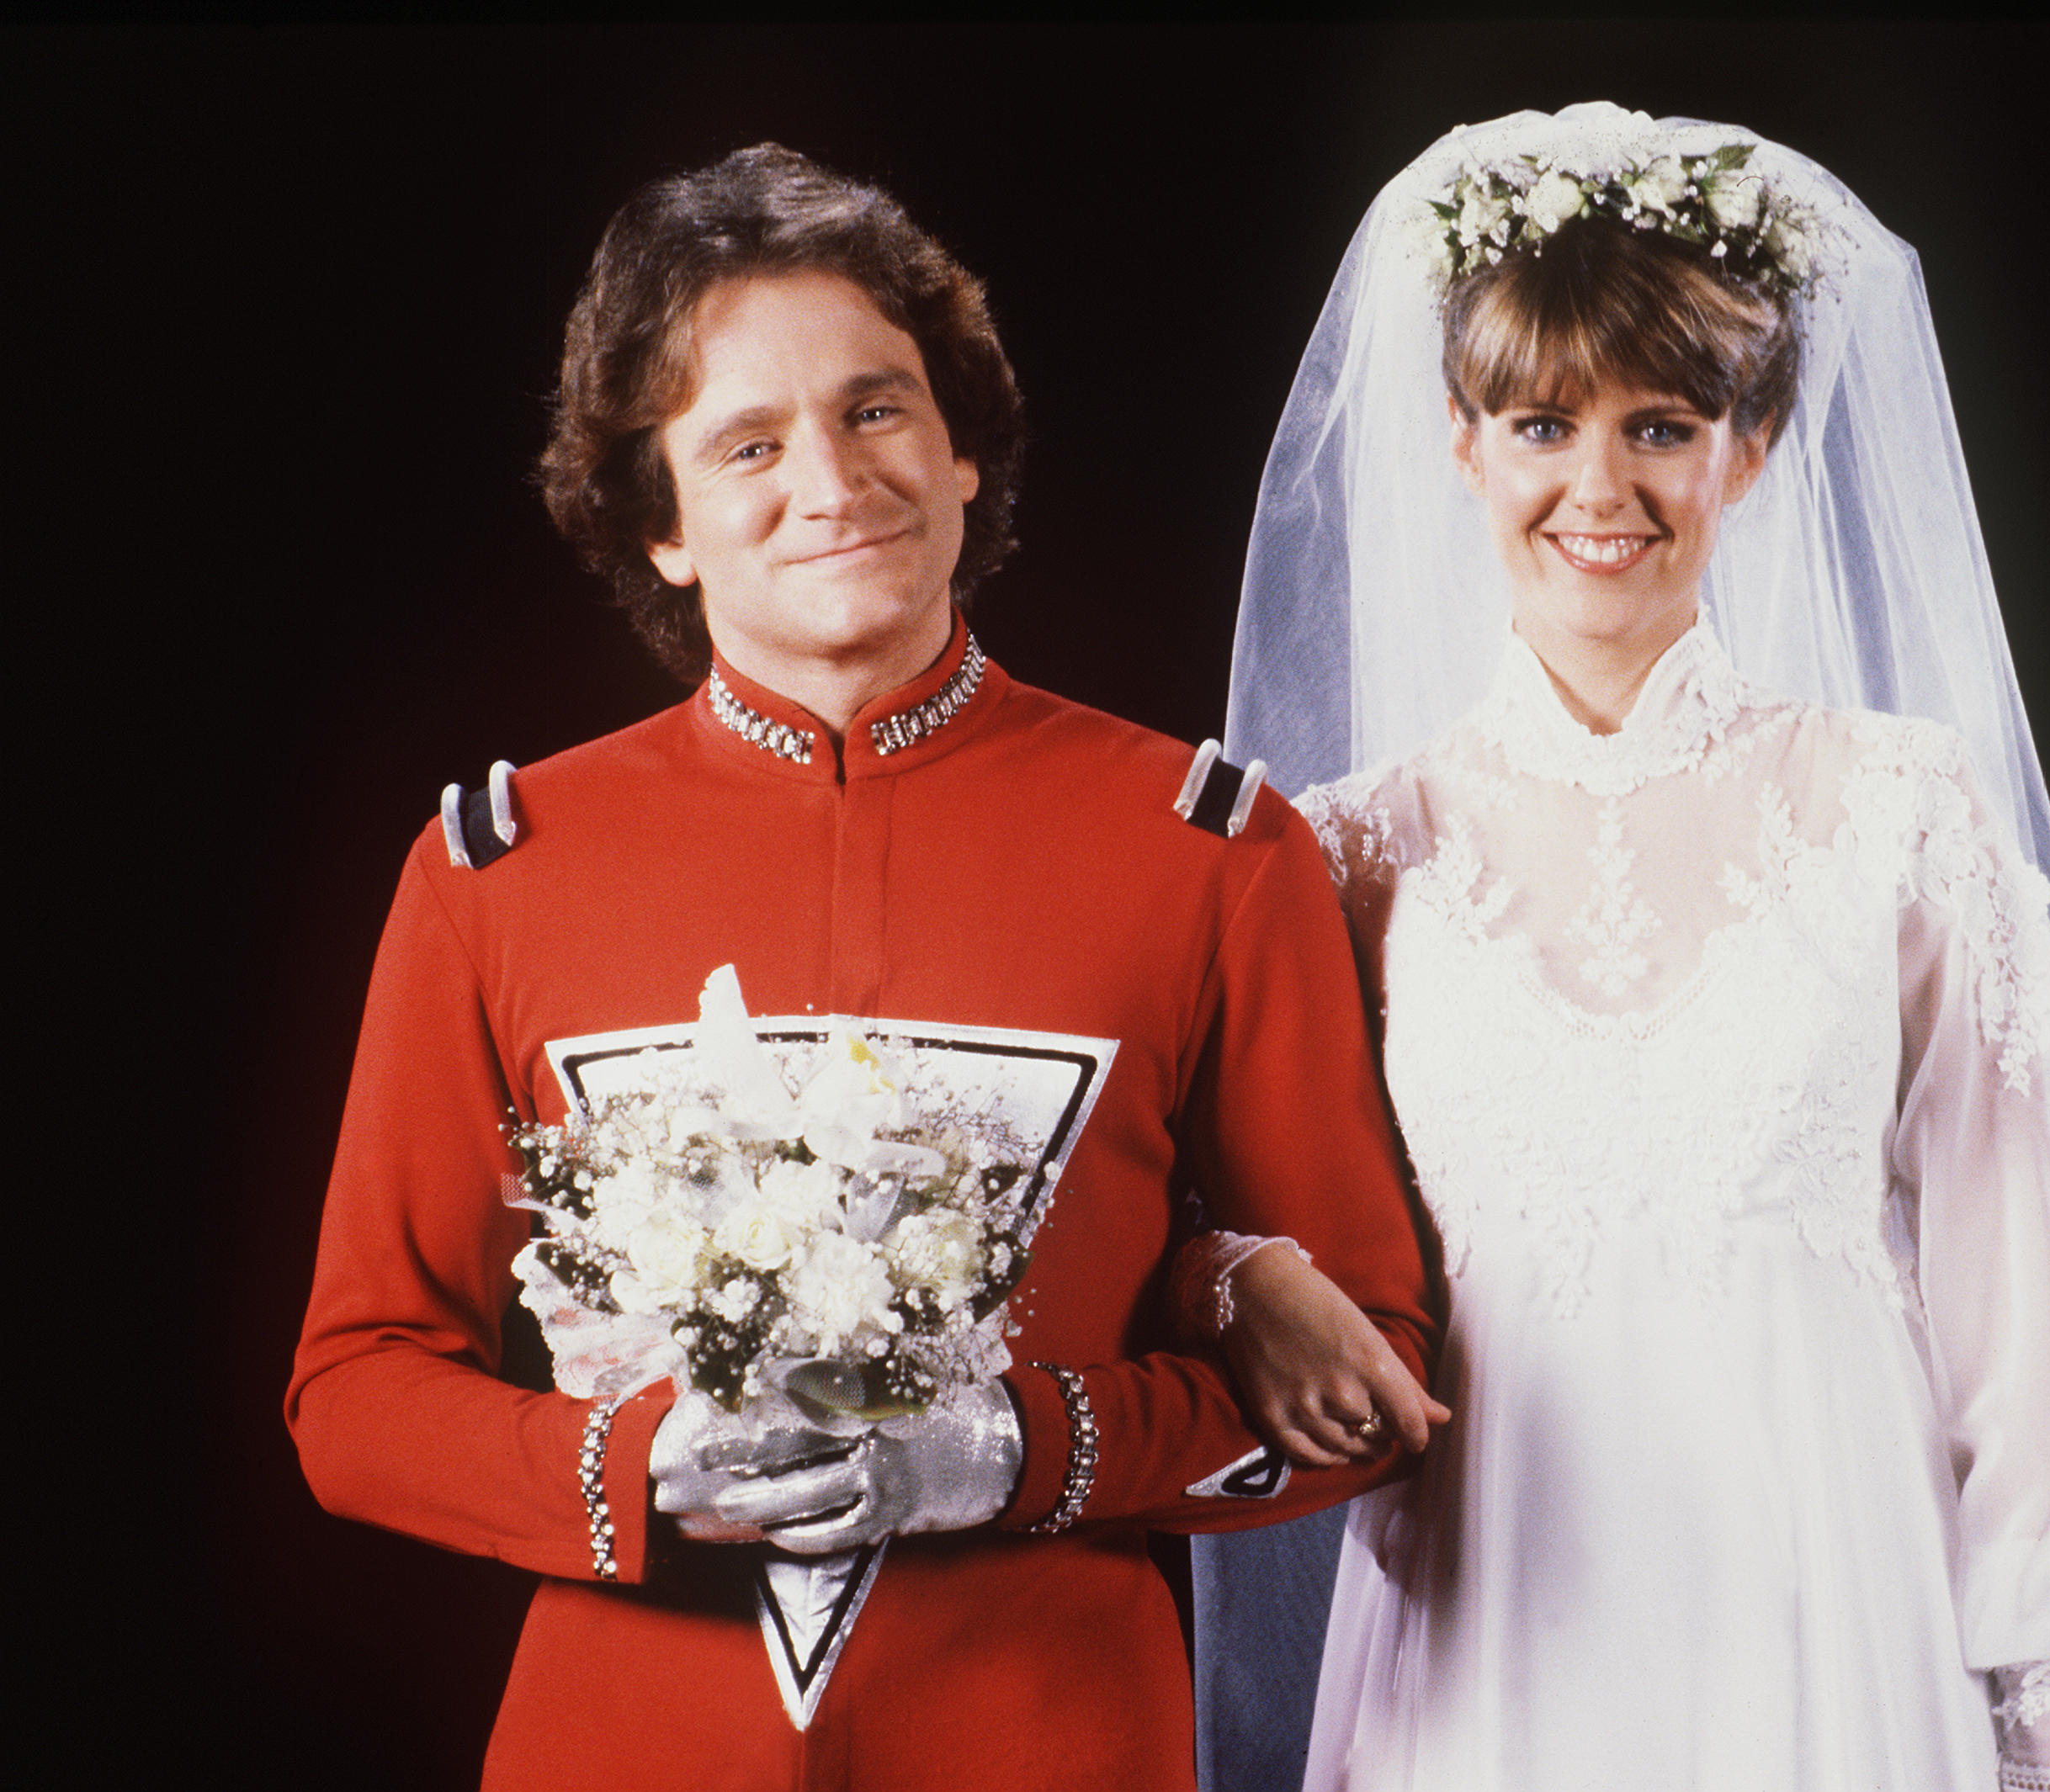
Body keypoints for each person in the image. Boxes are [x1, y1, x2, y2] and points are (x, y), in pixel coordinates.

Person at [287, 144, 1442, 1792]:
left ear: (968, 454)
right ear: (659, 526)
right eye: (748, 443)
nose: (831, 481)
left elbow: (1370, 1375)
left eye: (878, 408)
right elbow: (352, 1393)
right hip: (621, 1749)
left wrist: (1031, 1453)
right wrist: (628, 1468)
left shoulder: (1211, 847)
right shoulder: (496, 868)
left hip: (1054, 1740)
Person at [1187, 106, 2050, 1792]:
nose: (1598, 487)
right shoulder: (1351, 849)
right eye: (1541, 423)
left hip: (1838, 1602)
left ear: (1747, 453)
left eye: (1661, 425)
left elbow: (2032, 1306)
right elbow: (1222, 1220)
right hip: (1495, 1615)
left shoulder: (1900, 812)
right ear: (1460, 445)